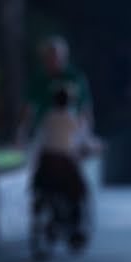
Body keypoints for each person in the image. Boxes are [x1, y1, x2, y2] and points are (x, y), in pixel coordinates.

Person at [31, 86, 98, 249]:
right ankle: (76, 230)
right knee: (80, 193)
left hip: (45, 166)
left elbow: (39, 141)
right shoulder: (72, 118)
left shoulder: (46, 117)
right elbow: (84, 141)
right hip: (64, 166)